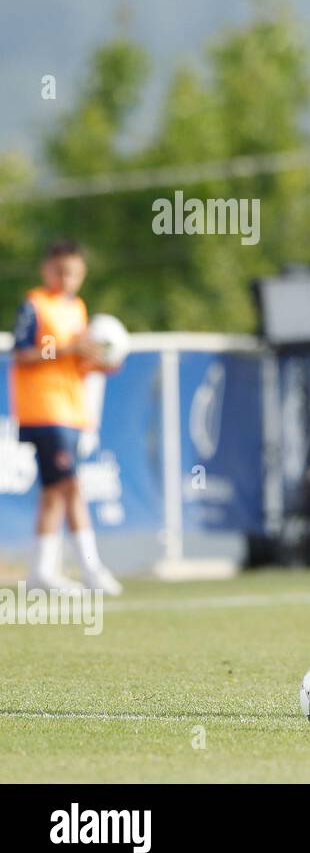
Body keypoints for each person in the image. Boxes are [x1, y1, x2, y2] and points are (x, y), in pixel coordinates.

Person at [10, 238, 121, 594]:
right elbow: (24, 351)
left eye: (73, 272)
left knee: (56, 490)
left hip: (73, 410)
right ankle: (89, 569)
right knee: (68, 486)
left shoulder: (79, 309)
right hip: (44, 408)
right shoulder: (36, 305)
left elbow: (75, 362)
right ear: (46, 269)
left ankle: (43, 571)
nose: (66, 278)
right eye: (59, 270)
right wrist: (70, 348)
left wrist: (99, 360)